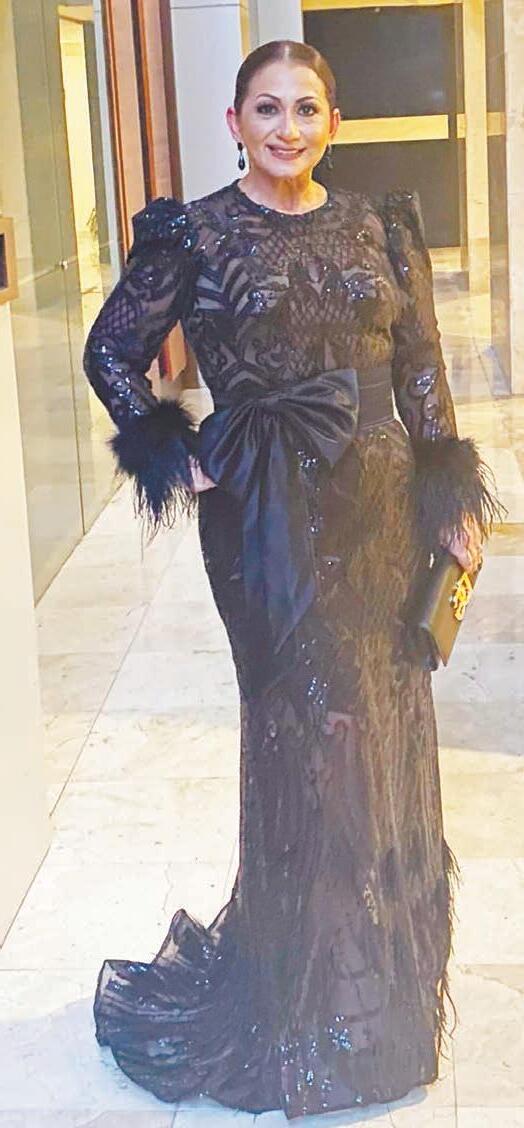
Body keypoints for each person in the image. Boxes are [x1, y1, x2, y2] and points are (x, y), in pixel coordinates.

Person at [83, 39, 501, 1121]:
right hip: (265, 519)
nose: (286, 128)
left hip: (379, 513)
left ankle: (372, 1001)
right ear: (235, 124)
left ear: (332, 122)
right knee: (310, 732)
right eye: (265, 109)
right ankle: (301, 1005)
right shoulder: (196, 233)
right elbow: (110, 352)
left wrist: (449, 495)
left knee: (383, 729)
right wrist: (176, 449)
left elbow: (419, 366)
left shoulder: (377, 225)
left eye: (304, 109)